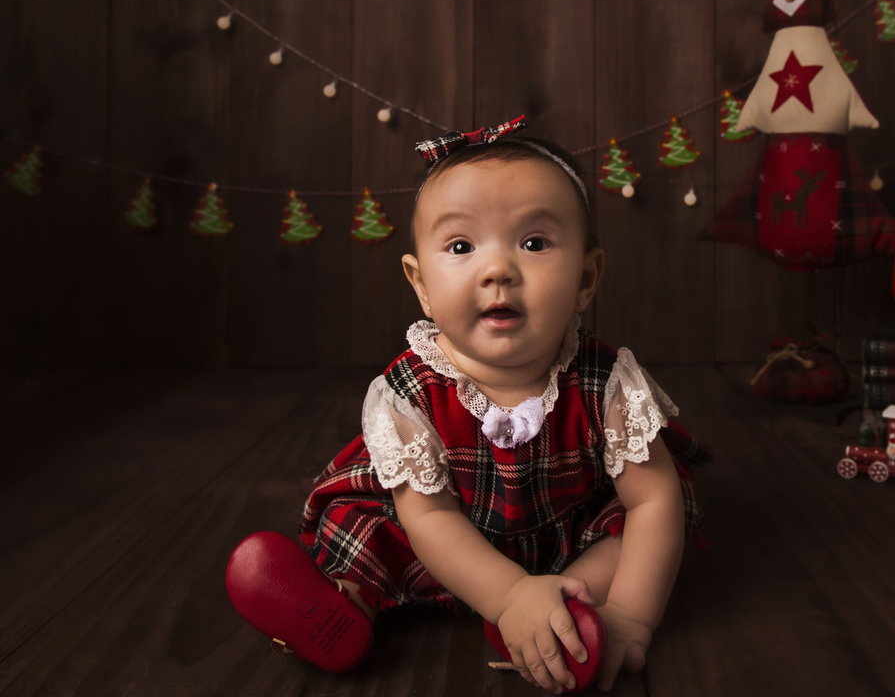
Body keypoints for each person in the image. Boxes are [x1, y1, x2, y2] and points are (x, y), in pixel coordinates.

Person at [226, 117, 708, 693]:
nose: (498, 270)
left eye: (534, 243)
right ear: (422, 284)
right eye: (461, 246)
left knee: (644, 522)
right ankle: (346, 604)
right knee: (374, 530)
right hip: (443, 533)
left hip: (564, 524)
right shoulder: (409, 394)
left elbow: (652, 500)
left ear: (586, 277)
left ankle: (569, 611)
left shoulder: (607, 383)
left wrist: (634, 615)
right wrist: (504, 593)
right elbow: (429, 518)